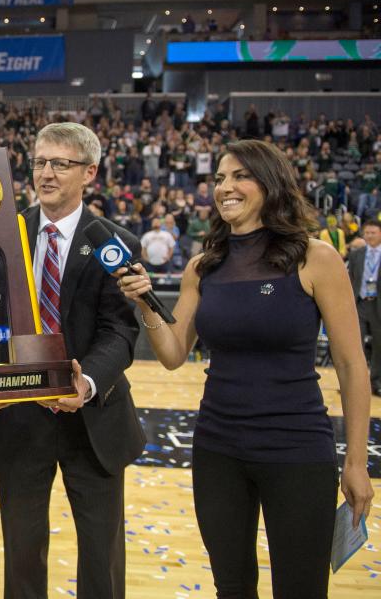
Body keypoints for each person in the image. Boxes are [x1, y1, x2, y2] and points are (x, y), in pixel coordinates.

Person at [116, 139, 374, 598]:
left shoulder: (315, 258)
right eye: (218, 178)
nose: (224, 188)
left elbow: (353, 366)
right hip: (218, 450)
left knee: (301, 590)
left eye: (239, 176)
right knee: (231, 588)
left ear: (270, 184)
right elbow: (174, 355)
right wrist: (146, 303)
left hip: (297, 449)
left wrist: (356, 461)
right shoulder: (203, 266)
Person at [0, 122, 145, 599]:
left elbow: (120, 330)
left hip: (93, 419)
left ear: (89, 172)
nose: (45, 173)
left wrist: (85, 385)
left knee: (101, 556)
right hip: (22, 415)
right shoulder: (3, 235)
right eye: (40, 162)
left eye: (60, 164)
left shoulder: (115, 241)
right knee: (22, 549)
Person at [348, 218, 381, 396]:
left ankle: (376, 382)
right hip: (359, 303)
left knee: (378, 345)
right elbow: (351, 278)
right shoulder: (356, 254)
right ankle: (354, 384)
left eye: (373, 232)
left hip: (378, 305)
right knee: (354, 345)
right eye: (366, 233)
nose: (369, 236)